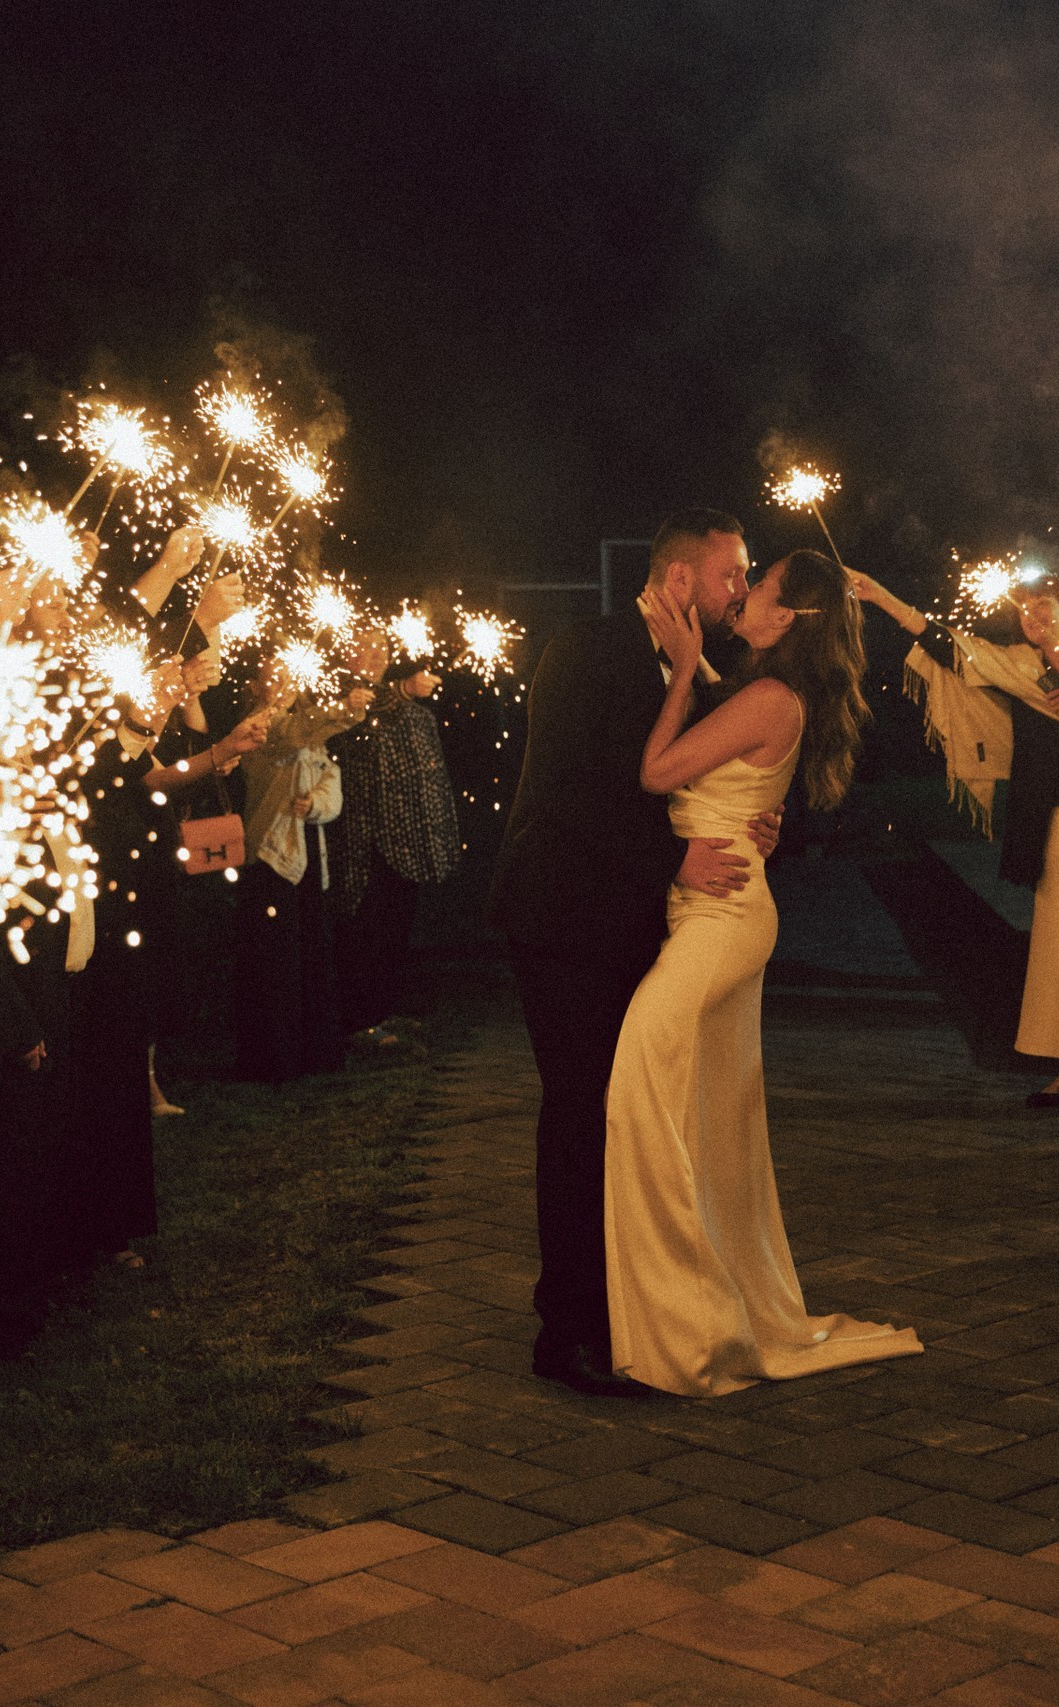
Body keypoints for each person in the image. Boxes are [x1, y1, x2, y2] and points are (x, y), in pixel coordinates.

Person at [610, 549, 922, 1395]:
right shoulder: (767, 690)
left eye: (762, 585)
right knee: (711, 1122)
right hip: (722, 908)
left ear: (784, 619)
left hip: (724, 919)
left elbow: (655, 772)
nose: (744, 593)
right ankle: (709, 1304)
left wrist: (679, 672)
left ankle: (693, 1323)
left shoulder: (769, 698)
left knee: (642, 1080)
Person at [489, 507, 776, 1398]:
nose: (740, 590)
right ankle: (565, 1327)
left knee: (630, 1115)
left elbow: (696, 778)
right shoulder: (584, 648)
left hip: (634, 923)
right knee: (579, 1113)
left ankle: (627, 1310)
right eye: (732, 574)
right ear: (681, 580)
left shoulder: (708, 672)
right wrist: (674, 855)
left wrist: (749, 819)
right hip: (563, 914)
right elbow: (568, 790)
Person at [852, 572, 1059, 1111]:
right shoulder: (1018, 665)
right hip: (1051, 825)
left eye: (1044, 606)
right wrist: (884, 598)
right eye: (1025, 610)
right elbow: (945, 644)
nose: (1034, 617)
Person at [231, 652, 371, 1082]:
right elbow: (295, 732)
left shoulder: (308, 732)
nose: (286, 683)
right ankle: (275, 1059)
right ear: (256, 685)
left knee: (311, 954)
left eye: (291, 676)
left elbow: (332, 785)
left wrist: (316, 806)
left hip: (307, 855)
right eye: (275, 676)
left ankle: (315, 1051)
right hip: (269, 858)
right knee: (277, 963)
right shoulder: (258, 727)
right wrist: (347, 708)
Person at [333, 644, 462, 1043]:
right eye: (366, 647)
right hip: (371, 834)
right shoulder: (343, 693)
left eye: (382, 649)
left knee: (394, 927)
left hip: (411, 835)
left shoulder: (405, 704)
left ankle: (383, 1011)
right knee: (368, 928)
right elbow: (368, 706)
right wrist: (405, 689)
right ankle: (359, 1019)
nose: (377, 656)